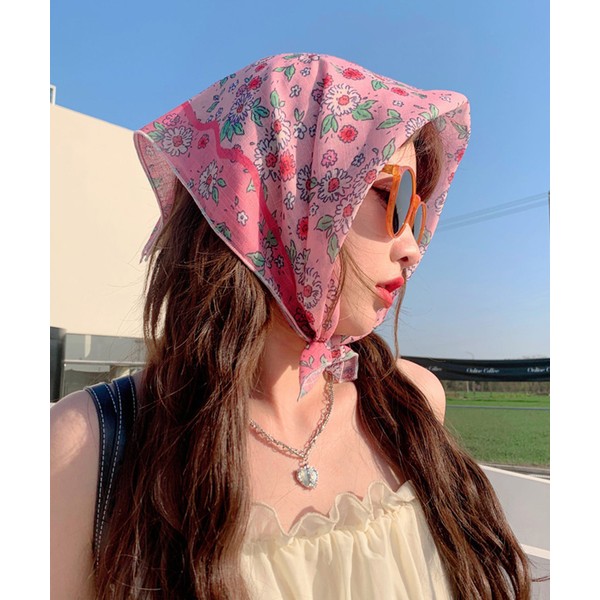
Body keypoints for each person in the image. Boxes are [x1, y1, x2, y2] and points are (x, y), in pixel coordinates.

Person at [51, 53, 531, 599]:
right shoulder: (85, 449)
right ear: (278, 195)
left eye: (419, 216)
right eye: (393, 198)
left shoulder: (411, 405)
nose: (413, 248)